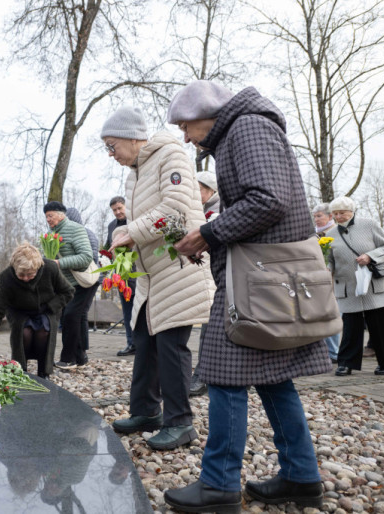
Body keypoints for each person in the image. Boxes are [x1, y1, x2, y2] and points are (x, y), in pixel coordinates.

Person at [164, 80, 331, 512]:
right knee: (274, 379)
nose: (185, 136)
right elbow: (266, 200)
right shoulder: (244, 129)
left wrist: (208, 232)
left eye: (185, 125)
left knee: (222, 372)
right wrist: (213, 236)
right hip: (262, 274)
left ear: (206, 113)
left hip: (260, 277)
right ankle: (302, 474)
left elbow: (269, 200)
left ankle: (219, 485)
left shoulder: (247, 128)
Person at [102, 105, 216, 451]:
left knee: (171, 346)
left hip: (179, 267)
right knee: (145, 342)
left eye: (112, 146)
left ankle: (180, 422)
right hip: (152, 273)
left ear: (132, 138)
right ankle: (146, 412)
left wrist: (130, 232)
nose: (111, 155)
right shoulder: (134, 172)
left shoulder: (172, 156)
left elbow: (177, 211)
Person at [0, 242, 74, 378]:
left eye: (30, 274)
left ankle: (43, 372)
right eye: (22, 275)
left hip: (47, 310)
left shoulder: (50, 269)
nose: (26, 279)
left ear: (38, 268)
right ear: (14, 268)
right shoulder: (6, 277)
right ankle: (21, 370)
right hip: (20, 313)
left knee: (43, 332)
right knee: (25, 333)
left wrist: (50, 306)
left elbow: (67, 292)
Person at [325, 196, 384, 377]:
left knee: (378, 326)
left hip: (373, 285)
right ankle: (346, 363)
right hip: (347, 287)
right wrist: (327, 269)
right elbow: (330, 259)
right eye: (335, 214)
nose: (339, 217)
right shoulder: (330, 234)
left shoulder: (369, 224)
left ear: (351, 211)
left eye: (342, 213)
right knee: (350, 327)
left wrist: (370, 256)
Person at [42, 201, 96, 369]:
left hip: (83, 281)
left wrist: (58, 263)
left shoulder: (75, 229)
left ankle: (68, 359)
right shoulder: (50, 233)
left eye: (50, 216)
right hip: (66, 284)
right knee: (75, 318)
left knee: (70, 317)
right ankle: (80, 357)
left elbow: (86, 257)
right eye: (46, 217)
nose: (48, 220)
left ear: (60, 214)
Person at [189, 170, 221, 397]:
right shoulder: (196, 209)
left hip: (219, 274)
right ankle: (204, 372)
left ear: (210, 191)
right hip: (204, 274)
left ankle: (205, 374)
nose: (194, 193)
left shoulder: (218, 210)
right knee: (208, 325)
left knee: (215, 326)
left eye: (198, 189)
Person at [65, 207, 101, 353]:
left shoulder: (86, 234)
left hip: (88, 279)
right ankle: (81, 350)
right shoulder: (82, 233)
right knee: (80, 314)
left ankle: (80, 350)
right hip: (79, 279)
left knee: (78, 314)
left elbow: (90, 258)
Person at [105, 195, 137, 356]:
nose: (117, 212)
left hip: (138, 271)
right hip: (121, 275)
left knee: (141, 309)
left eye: (119, 208)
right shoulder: (111, 226)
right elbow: (108, 247)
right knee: (127, 310)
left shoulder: (135, 221)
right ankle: (131, 343)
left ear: (126, 206)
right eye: (114, 210)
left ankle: (144, 344)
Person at [313, 202, 340, 363]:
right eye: (314, 216)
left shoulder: (336, 233)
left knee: (331, 315)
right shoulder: (314, 235)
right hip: (316, 281)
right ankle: (322, 352)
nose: (316, 219)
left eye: (319, 216)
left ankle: (333, 352)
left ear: (330, 216)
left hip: (333, 281)